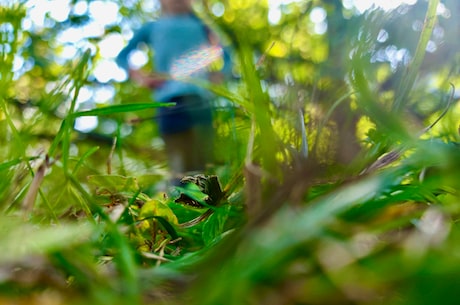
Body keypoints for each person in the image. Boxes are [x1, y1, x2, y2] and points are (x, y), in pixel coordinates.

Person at [116, 0, 231, 186]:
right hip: (168, 101)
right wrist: (141, 77)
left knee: (204, 159)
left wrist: (220, 74)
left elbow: (227, 55)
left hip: (200, 99)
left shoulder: (201, 26)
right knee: (178, 161)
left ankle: (208, 205)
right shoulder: (153, 27)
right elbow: (122, 57)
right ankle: (181, 205)